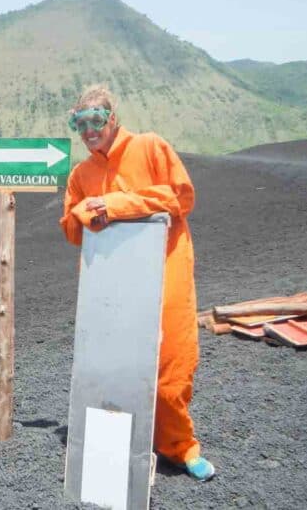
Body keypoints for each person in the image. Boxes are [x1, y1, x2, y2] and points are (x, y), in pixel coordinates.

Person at [59, 84, 215, 482]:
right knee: (115, 365)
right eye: (80, 122)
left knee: (172, 362)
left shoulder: (150, 147)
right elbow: (71, 229)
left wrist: (115, 205)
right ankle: (123, 448)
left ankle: (179, 446)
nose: (89, 130)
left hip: (166, 269)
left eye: (95, 119)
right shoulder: (81, 174)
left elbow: (180, 196)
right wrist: (83, 211)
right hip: (111, 283)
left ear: (112, 118)